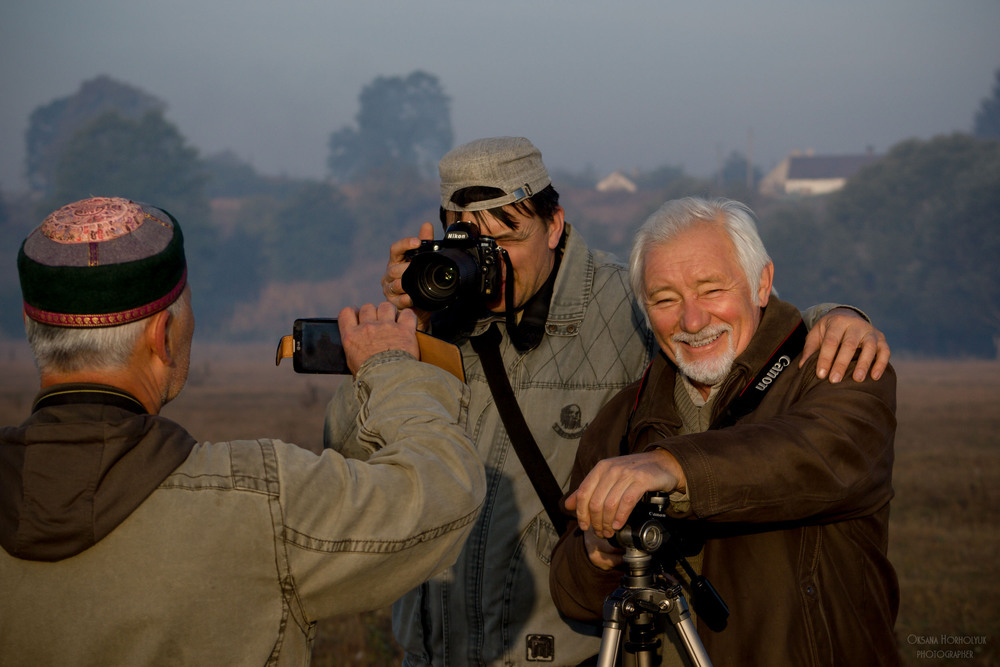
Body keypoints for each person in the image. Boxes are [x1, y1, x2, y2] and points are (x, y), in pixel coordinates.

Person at [324, 137, 891, 666]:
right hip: (435, 650)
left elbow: (739, 326)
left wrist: (835, 319)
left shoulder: (625, 304)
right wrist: (398, 349)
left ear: (554, 225)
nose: (490, 258)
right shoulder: (432, 323)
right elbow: (354, 465)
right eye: (469, 242)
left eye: (510, 234)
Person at [0, 197, 486, 665]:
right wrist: (389, 365)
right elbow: (442, 488)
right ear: (161, 337)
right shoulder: (260, 500)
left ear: (32, 326)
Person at [549, 197, 898, 666]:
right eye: (665, 299)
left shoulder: (838, 367)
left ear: (762, 284)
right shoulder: (623, 418)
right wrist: (599, 553)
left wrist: (672, 467)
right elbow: (574, 596)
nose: (692, 321)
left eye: (711, 289)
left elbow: (820, 455)